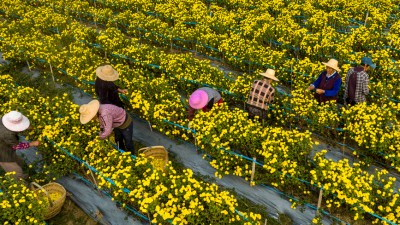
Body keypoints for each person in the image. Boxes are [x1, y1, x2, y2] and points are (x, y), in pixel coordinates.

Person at [0, 111, 40, 177]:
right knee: (15, 171)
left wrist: (27, 127)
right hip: (3, 154)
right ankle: (21, 184)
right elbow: (17, 146)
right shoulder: (7, 134)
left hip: (5, 146)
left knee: (19, 162)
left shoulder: (3, 121)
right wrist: (32, 144)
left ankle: (24, 175)